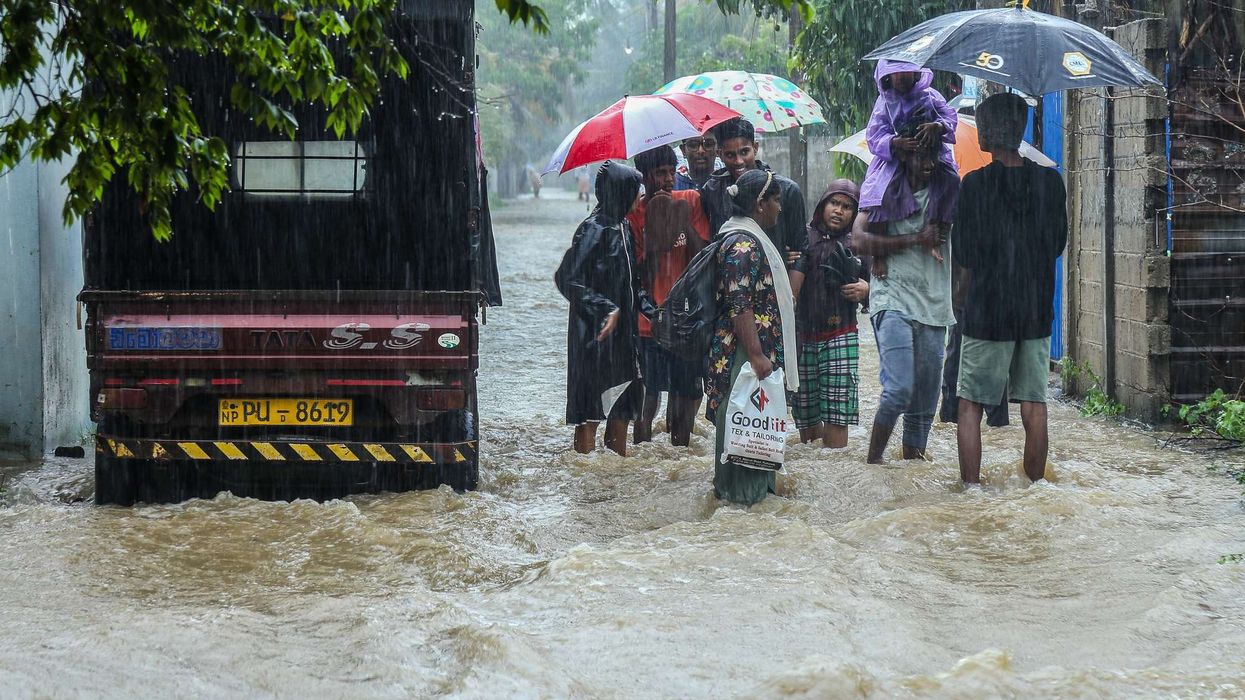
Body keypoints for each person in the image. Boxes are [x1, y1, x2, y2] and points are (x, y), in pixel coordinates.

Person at [953, 93, 1067, 484]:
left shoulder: (975, 186)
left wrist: (960, 302)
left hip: (987, 310)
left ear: (986, 132)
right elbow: (1056, 245)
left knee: (970, 404)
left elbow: (965, 256)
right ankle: (1035, 488)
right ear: (1019, 131)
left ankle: (970, 489)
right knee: (1034, 405)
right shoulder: (1050, 182)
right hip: (1035, 310)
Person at [852, 126, 957, 465]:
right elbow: (858, 240)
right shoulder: (884, 189)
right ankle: (873, 465)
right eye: (919, 154)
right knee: (898, 390)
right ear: (903, 153)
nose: (927, 162)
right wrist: (914, 239)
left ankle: (911, 476)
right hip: (892, 296)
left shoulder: (949, 190)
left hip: (934, 302)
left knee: (924, 406)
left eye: (933, 153)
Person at [705, 169, 800, 506]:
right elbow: (739, 303)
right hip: (743, 355)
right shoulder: (744, 244)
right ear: (760, 204)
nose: (779, 208)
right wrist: (757, 355)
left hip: (748, 353)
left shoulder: (745, 237)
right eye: (775, 200)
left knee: (756, 431)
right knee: (745, 432)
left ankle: (752, 503)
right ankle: (741, 505)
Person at [558, 161, 655, 456]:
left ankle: (616, 474)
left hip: (624, 337)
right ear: (618, 193)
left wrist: (653, 311)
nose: (638, 197)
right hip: (593, 337)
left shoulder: (624, 227)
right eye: (633, 191)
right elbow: (568, 279)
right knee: (590, 411)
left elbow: (632, 281)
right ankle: (586, 472)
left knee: (622, 406)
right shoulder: (592, 229)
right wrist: (604, 308)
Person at [626, 145, 712, 446]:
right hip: (649, 323)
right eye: (660, 173)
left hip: (686, 320)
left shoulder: (690, 200)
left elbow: (704, 256)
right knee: (648, 398)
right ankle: (641, 460)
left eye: (671, 172)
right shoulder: (634, 214)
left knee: (686, 395)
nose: (667, 179)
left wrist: (681, 221)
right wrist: (657, 232)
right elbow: (635, 273)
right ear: (644, 177)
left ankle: (680, 456)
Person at [859, 60, 960, 275]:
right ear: (887, 77)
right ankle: (878, 256)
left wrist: (938, 126)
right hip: (895, 160)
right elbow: (874, 136)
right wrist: (895, 142)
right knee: (880, 195)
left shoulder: (930, 96)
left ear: (917, 74)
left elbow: (950, 116)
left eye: (907, 72)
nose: (902, 77)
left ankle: (937, 229)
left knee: (951, 180)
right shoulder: (884, 103)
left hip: (932, 152)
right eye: (896, 74)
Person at [792, 179, 869, 448]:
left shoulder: (858, 242)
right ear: (823, 205)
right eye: (834, 203)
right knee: (806, 413)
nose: (839, 210)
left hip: (841, 335)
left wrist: (866, 288)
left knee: (838, 415)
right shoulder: (803, 237)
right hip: (802, 336)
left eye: (847, 206)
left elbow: (883, 283)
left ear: (855, 213)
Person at [700, 118, 808, 297]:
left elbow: (802, 252)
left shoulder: (786, 190)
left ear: (755, 147)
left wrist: (789, 297)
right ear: (719, 153)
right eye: (730, 155)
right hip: (729, 290)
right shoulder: (711, 192)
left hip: (777, 285)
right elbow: (710, 245)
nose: (739, 161)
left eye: (745, 152)